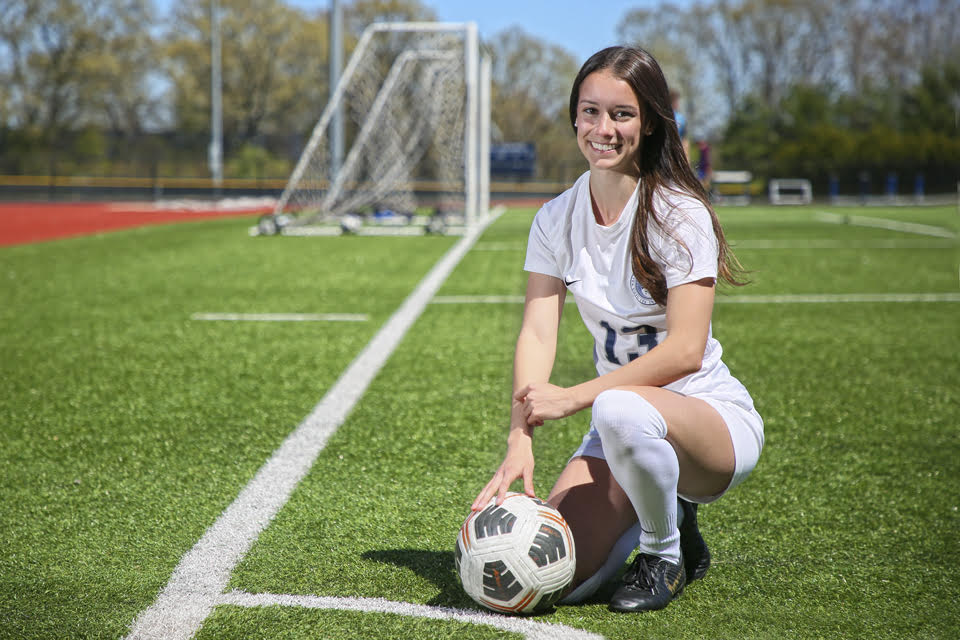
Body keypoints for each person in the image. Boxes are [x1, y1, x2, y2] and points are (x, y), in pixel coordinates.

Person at [471, 46, 763, 613]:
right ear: (574, 116)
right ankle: (658, 504)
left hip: (706, 421)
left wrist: (575, 398)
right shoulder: (555, 218)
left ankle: (663, 552)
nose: (602, 129)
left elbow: (685, 350)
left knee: (619, 410)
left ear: (649, 121)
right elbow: (536, 334)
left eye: (622, 114)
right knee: (549, 579)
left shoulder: (679, 214)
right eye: (589, 111)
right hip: (621, 425)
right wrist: (518, 438)